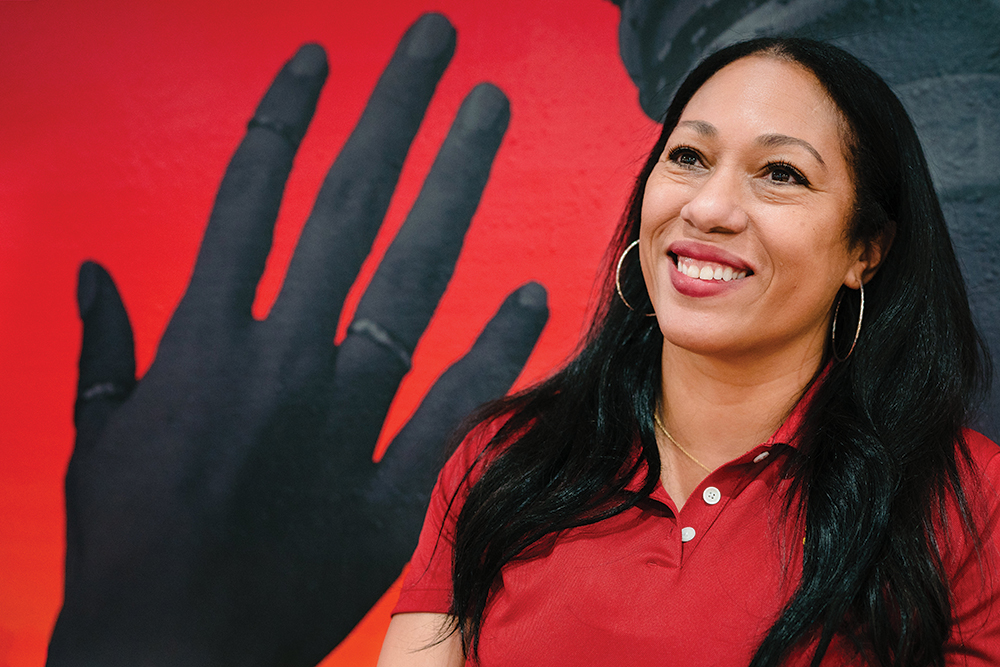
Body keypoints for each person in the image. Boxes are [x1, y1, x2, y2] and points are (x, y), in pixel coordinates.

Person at [378, 37, 998, 666]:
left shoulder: (969, 501)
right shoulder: (505, 457)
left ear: (865, 249)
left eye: (781, 173)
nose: (707, 208)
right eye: (689, 157)